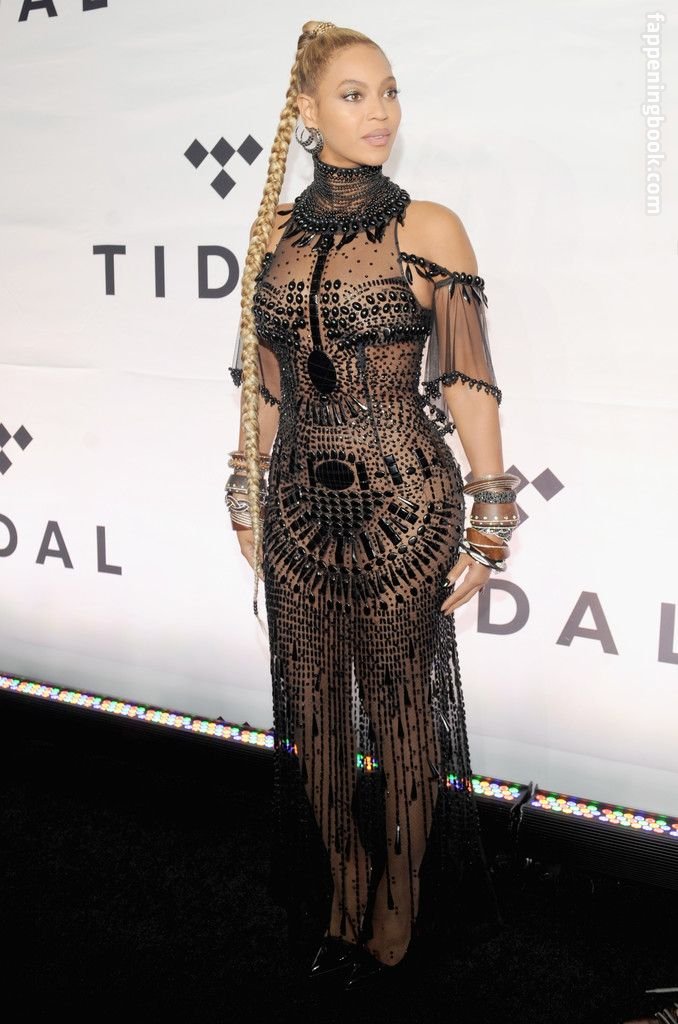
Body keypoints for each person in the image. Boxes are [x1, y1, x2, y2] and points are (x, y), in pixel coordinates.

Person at [225, 20, 520, 989]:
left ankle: (400, 893)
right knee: (311, 710)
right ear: (305, 111)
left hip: (406, 506)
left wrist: (491, 514)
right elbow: (267, 386)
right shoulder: (273, 233)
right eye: (355, 94)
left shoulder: (427, 227)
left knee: (399, 711)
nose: (381, 111)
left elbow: (467, 381)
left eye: (389, 91)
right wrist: (244, 487)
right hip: (297, 508)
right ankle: (345, 884)